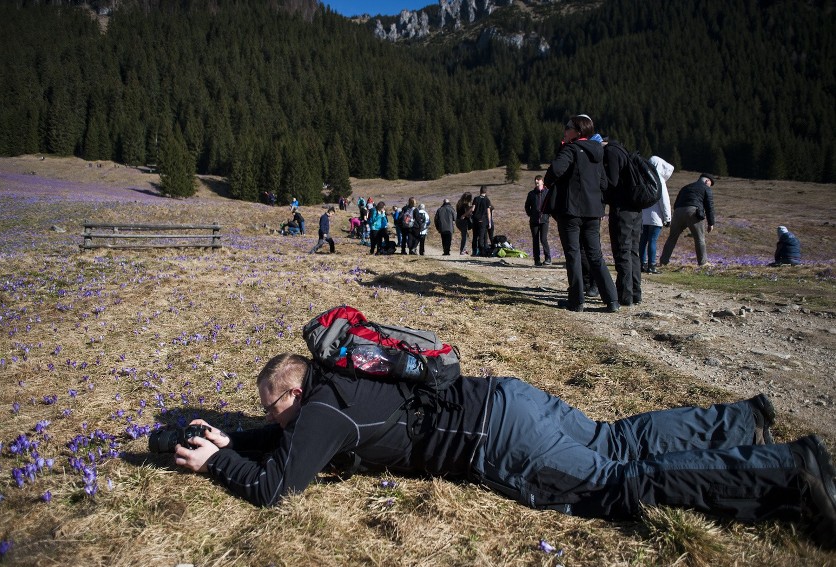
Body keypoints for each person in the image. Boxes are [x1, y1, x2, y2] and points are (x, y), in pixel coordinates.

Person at [174, 352, 836, 550]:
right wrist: (244, 435)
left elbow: (275, 488)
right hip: (506, 397)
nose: (270, 415)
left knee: (616, 480)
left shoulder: (317, 412)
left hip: (498, 440)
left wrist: (216, 461)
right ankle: (743, 419)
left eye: (268, 405)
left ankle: (788, 471)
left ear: (291, 391)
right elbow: (291, 435)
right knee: (616, 436)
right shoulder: (336, 375)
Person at [544, 114, 619, 313]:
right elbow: (604, 183)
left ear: (578, 132)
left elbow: (555, 170)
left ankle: (576, 301)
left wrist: (550, 182)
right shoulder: (598, 152)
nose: (565, 130)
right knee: (595, 255)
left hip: (571, 211)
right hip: (594, 212)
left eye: (568, 127)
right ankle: (612, 300)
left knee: (574, 254)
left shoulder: (570, 149)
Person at [603, 138, 643, 306]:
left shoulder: (611, 152)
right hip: (636, 208)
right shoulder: (624, 152)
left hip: (622, 209)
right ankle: (635, 292)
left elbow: (611, 181)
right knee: (633, 251)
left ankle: (624, 295)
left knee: (622, 251)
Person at [659, 173, 716, 267]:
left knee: (672, 237)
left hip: (678, 212)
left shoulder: (686, 187)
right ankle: (703, 262)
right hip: (693, 211)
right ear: (707, 181)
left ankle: (663, 261)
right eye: (711, 184)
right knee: (699, 238)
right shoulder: (706, 188)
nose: (710, 186)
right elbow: (709, 206)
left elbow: (676, 202)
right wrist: (711, 223)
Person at [640, 156, 674, 274]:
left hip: (643, 216)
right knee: (652, 241)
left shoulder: (643, 177)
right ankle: (652, 266)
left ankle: (642, 264)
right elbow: (664, 200)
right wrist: (667, 217)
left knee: (643, 241)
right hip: (656, 217)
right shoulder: (659, 179)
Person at [525, 175, 552, 267]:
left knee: (543, 239)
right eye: (535, 180)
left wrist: (548, 214)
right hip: (534, 221)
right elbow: (527, 206)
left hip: (544, 220)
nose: (536, 181)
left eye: (538, 180)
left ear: (542, 182)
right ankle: (537, 260)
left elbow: (551, 205)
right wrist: (530, 214)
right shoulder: (531, 194)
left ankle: (548, 258)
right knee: (535, 240)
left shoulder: (548, 193)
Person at [470, 186, 492, 256]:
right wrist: (489, 222)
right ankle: (481, 251)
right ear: (486, 192)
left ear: (480, 191)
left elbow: (473, 209)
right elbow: (488, 212)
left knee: (475, 236)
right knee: (481, 236)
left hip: (475, 219)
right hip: (483, 220)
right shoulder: (487, 200)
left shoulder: (476, 198)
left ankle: (474, 251)